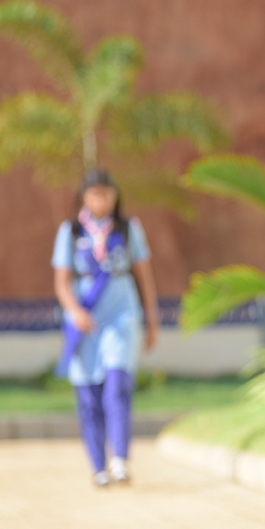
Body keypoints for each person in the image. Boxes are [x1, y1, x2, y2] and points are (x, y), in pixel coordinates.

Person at [51, 169, 159, 487]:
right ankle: (98, 466)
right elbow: (61, 282)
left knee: (117, 384)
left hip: (121, 315)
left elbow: (144, 276)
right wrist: (74, 312)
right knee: (88, 395)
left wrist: (152, 320)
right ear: (84, 196)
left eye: (107, 192)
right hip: (85, 319)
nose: (102, 199)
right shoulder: (70, 232)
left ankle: (120, 459)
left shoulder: (127, 229)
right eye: (95, 192)